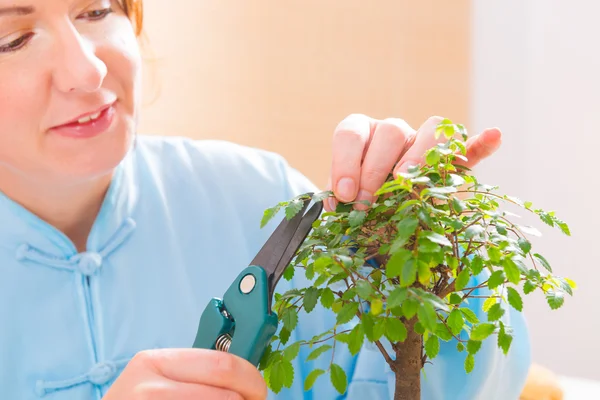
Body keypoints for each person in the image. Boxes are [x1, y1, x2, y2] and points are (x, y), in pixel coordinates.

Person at [0, 0, 531, 399]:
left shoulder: (260, 195)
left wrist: (427, 253)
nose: (87, 71)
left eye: (95, 9)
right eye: (13, 39)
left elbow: (451, 380)